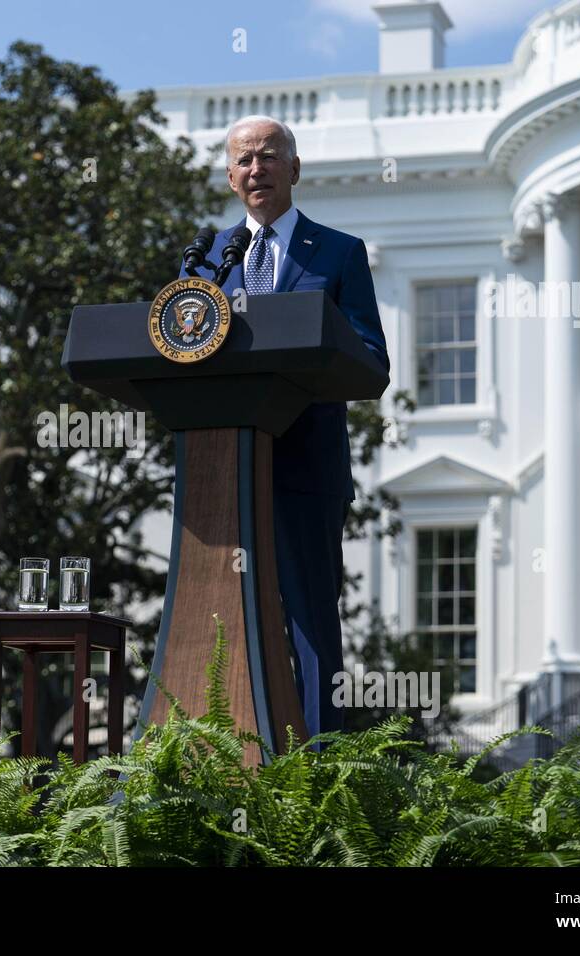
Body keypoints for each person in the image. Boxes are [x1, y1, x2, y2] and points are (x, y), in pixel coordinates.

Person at [179, 114, 390, 741]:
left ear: (293, 169)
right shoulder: (208, 257)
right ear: (229, 175)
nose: (256, 169)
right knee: (216, 626)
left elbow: (371, 362)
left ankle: (320, 771)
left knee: (309, 626)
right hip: (221, 474)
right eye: (243, 160)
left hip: (304, 471)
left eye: (268, 157)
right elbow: (183, 349)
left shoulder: (338, 253)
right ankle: (225, 762)